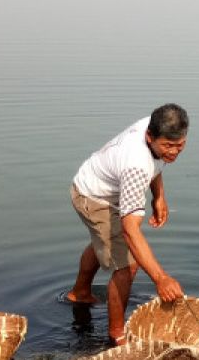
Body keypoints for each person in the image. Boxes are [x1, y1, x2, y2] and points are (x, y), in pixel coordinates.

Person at [67, 104, 188, 344]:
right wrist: (160, 278)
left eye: (180, 145)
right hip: (94, 197)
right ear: (149, 136)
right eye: (168, 146)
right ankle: (117, 336)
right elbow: (130, 231)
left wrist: (159, 196)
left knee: (107, 240)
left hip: (99, 182)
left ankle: (80, 293)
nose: (174, 152)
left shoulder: (155, 124)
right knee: (127, 266)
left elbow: (157, 161)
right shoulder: (136, 165)